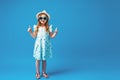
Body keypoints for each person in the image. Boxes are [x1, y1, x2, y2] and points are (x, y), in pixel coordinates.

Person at [27, 10, 58, 79]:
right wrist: (30, 31)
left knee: (44, 60)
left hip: (45, 46)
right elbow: (34, 36)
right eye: (41, 18)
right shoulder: (36, 27)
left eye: (44, 18)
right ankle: (37, 72)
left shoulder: (48, 28)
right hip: (39, 46)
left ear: (47, 19)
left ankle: (44, 72)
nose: (42, 19)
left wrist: (55, 32)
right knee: (37, 60)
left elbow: (52, 36)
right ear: (38, 19)